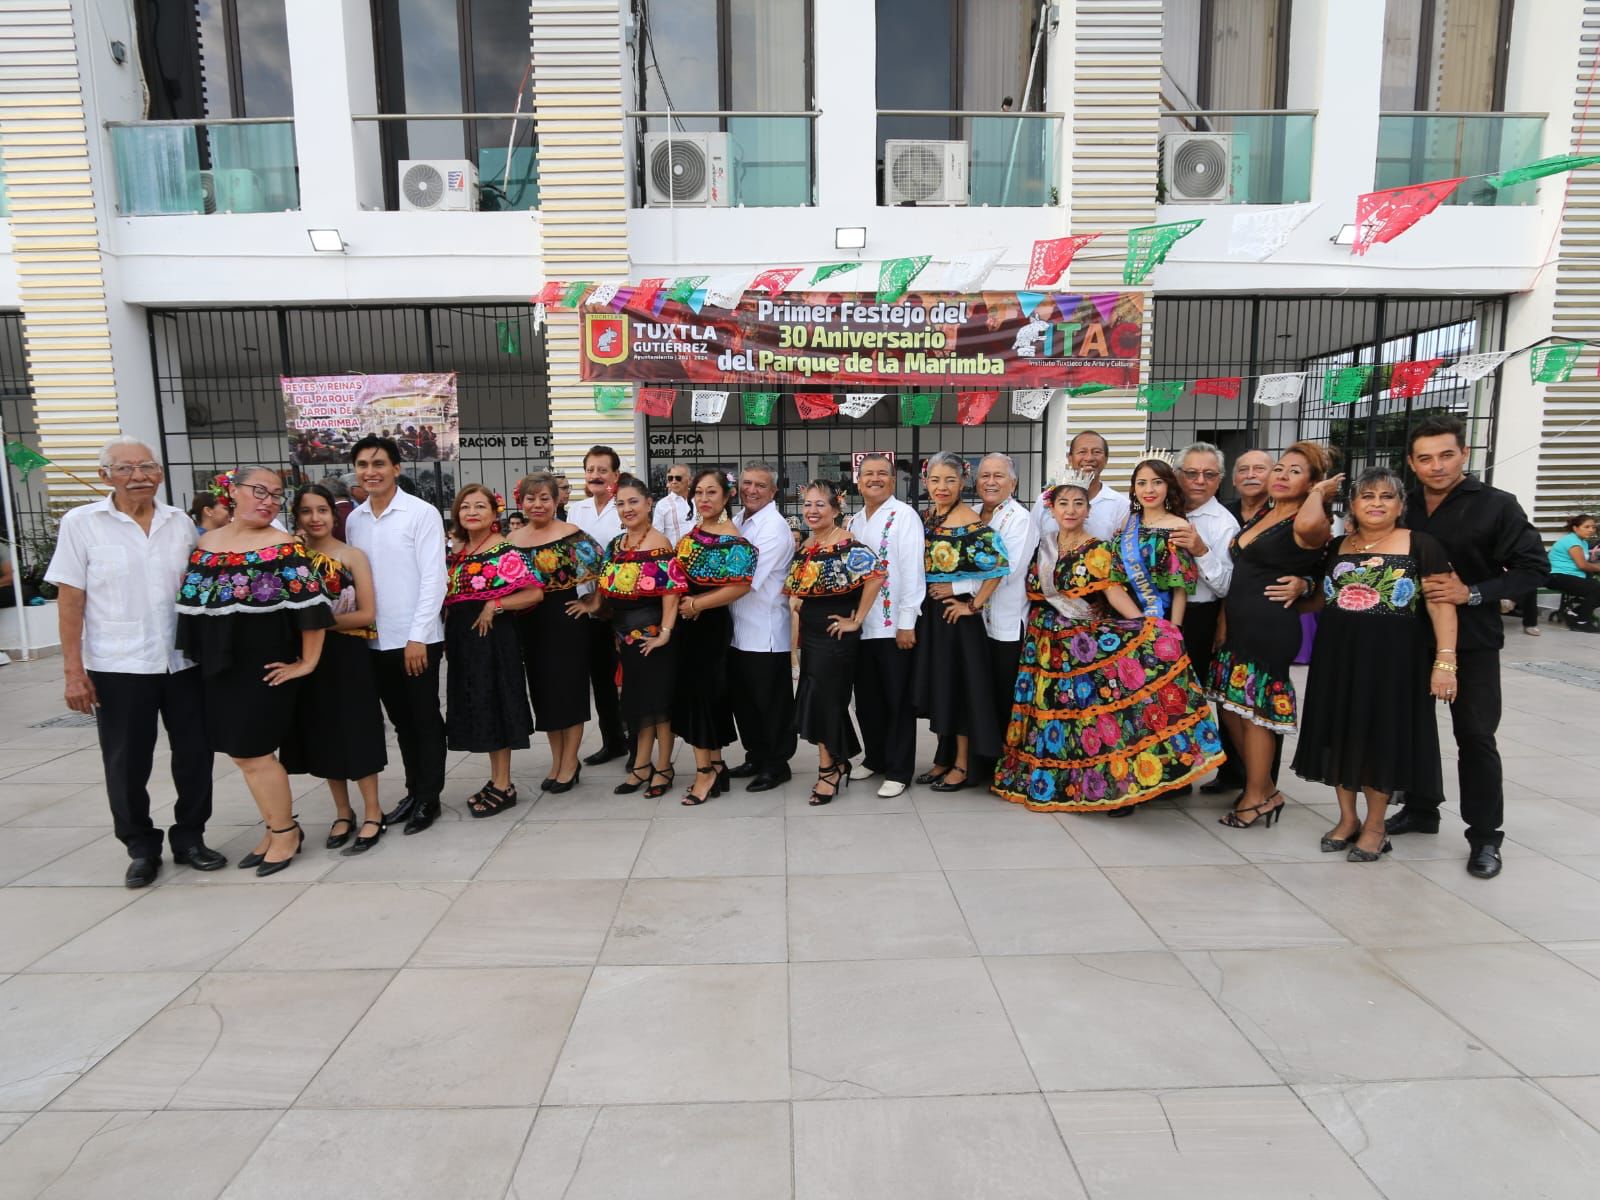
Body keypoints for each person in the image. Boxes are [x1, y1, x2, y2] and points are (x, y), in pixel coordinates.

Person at [45, 439, 224, 888]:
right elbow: (70, 601)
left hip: (181, 662)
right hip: (118, 664)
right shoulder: (82, 524)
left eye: (147, 466)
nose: (139, 476)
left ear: (160, 474)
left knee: (195, 755)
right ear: (106, 475)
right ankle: (140, 846)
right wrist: (73, 671)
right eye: (126, 468)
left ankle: (190, 838)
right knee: (126, 763)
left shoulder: (180, 523)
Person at [993, 478, 1224, 814]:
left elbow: (1113, 592)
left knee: (1092, 717)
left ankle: (1114, 786)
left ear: (1088, 510)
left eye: (1078, 503)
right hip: (1044, 644)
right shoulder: (1042, 544)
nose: (1071, 510)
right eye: (1064, 504)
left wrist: (1149, 626)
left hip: (1082, 644)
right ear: (1051, 509)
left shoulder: (1100, 548)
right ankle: (1056, 781)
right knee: (1051, 715)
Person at [1386, 415, 1550, 879]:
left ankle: (1485, 837)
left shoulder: (1497, 506)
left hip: (1472, 642)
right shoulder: (1402, 506)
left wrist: (1473, 592)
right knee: (1411, 729)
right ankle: (1421, 808)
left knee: (1475, 737)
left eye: (1446, 455)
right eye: (1425, 458)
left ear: (1464, 454)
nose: (1436, 466)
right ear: (1412, 463)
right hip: (1406, 637)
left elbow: (1533, 568)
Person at [1292, 467, 1459, 862]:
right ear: (1352, 504)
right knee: (1342, 734)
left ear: (1401, 505)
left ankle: (1376, 825)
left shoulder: (1422, 545)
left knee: (1380, 738)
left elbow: (1440, 605)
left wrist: (1445, 662)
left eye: (1387, 496)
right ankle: (1347, 818)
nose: (1377, 504)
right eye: (1367, 496)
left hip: (1394, 664)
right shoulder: (1337, 547)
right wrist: (1298, 592)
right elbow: (1323, 597)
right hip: (1338, 658)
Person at [175, 466, 333, 876]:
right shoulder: (206, 543)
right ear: (233, 492)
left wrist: (308, 662)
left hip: (264, 667)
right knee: (241, 755)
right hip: (219, 667)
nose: (268, 501)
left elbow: (311, 610)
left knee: (254, 752)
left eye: (276, 495)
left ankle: (285, 832)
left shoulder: (283, 547)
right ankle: (275, 828)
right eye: (259, 491)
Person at [1210, 442, 1338, 830]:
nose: (1281, 476)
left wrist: (1317, 495)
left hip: (1269, 627)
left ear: (1314, 482)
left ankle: (1255, 797)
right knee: (1232, 709)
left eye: (1295, 472)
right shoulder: (1267, 511)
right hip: (1238, 623)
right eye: (1279, 469)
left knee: (1256, 716)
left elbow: (1310, 538)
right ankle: (1265, 788)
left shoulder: (1307, 519)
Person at [345, 435, 449, 835]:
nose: (370, 472)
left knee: (424, 718)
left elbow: (433, 579)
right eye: (363, 465)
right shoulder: (355, 520)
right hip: (374, 638)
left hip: (416, 639)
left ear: (396, 469)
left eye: (378, 464)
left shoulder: (420, 514)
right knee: (401, 722)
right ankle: (413, 790)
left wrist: (418, 636)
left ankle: (430, 796)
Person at [279, 485, 389, 855]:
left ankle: (373, 811)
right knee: (323, 732)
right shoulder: (290, 560)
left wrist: (315, 623)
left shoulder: (352, 556)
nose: (315, 518)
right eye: (307, 511)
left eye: (322, 510)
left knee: (356, 731)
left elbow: (366, 614)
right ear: (298, 517)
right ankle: (343, 812)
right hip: (306, 659)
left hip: (348, 655)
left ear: (334, 514)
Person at [926, 452, 1040, 786]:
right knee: (964, 691)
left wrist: (958, 589)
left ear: (1013, 483)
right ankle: (954, 759)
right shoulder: (971, 513)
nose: (990, 481)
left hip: (1001, 625)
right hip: (969, 625)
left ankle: (996, 769)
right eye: (985, 475)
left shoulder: (1020, 519)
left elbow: (1007, 570)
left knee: (996, 700)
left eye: (999, 476)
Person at [574, 474, 688, 798]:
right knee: (639, 706)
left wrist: (665, 633)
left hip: (652, 636)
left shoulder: (659, 543)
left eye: (633, 502)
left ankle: (663, 767)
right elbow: (604, 586)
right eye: (621, 503)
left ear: (649, 504)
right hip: (624, 636)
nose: (627, 509)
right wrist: (591, 605)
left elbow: (671, 593)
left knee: (658, 707)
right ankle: (641, 764)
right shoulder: (616, 545)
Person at [443, 484, 544, 818]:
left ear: (494, 513)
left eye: (479, 506)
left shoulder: (504, 551)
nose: (471, 512)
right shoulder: (460, 550)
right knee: (479, 706)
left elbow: (533, 594)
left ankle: (504, 784)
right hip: (464, 641)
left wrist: (496, 604)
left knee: (496, 704)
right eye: (465, 506)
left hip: (493, 641)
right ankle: (496, 778)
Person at [913, 452, 1009, 791]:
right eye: (935, 480)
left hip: (958, 621)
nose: (942, 487)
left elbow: (999, 567)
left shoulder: (971, 523)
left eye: (949, 480)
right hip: (933, 620)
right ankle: (942, 758)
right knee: (943, 689)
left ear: (962, 482)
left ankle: (962, 764)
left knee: (962, 691)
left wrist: (974, 606)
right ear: (926, 482)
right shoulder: (928, 517)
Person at [786, 481, 885, 805]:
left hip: (835, 634)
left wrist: (856, 619)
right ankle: (839, 758)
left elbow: (876, 575)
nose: (812, 511)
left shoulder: (846, 544)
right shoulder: (810, 544)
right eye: (808, 505)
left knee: (826, 700)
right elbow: (804, 583)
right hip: (812, 634)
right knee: (818, 698)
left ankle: (828, 769)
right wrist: (800, 600)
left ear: (836, 509)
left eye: (820, 505)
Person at [509, 472, 605, 792]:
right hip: (528, 626)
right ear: (520, 502)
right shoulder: (512, 541)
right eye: (531, 499)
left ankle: (569, 763)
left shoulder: (571, 534)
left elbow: (607, 569)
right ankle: (557, 760)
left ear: (556, 501)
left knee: (569, 694)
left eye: (544, 498)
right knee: (545, 696)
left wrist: (591, 603)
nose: (537, 505)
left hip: (565, 622)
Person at [674, 468, 756, 805]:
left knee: (703, 696)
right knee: (699, 695)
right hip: (687, 624)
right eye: (699, 492)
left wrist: (697, 603)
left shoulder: (732, 537)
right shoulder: (694, 532)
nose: (704, 499)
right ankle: (717, 764)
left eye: (712, 493)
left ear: (726, 497)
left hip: (708, 625)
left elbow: (740, 586)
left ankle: (704, 772)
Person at [848, 452, 926, 798]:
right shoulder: (854, 521)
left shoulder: (904, 515)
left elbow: (912, 570)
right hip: (861, 625)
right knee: (866, 700)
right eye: (868, 474)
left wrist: (907, 621)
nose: (874, 479)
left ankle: (898, 768)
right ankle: (876, 757)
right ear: (858, 480)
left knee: (896, 701)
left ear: (892, 480)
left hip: (893, 625)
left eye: (882, 473)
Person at [1170, 443, 1242, 796]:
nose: (1199, 481)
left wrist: (1200, 551)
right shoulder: (1164, 508)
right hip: (1158, 615)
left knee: (1188, 698)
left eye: (1209, 475)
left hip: (1199, 616)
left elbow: (1227, 584)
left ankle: (1185, 773)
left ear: (1220, 480)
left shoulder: (1222, 523)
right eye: (1191, 473)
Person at [728, 461, 798, 792]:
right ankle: (755, 754)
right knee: (746, 701)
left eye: (759, 485)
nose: (751, 490)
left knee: (770, 703)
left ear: (773, 492)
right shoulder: (739, 520)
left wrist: (696, 601)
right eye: (746, 483)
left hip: (765, 632)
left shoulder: (775, 529)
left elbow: (744, 579)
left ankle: (776, 764)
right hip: (738, 630)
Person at [568, 446, 629, 765]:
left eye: (602, 470)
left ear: (615, 476)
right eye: (590, 469)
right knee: (602, 678)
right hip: (588, 605)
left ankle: (639, 737)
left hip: (624, 604)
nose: (595, 475)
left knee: (632, 675)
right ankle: (614, 740)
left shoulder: (626, 506)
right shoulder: (577, 510)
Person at [1115, 457, 1198, 626]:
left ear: (1169, 486)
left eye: (1157, 482)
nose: (1149, 490)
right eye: (1142, 483)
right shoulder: (1127, 522)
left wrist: (1175, 628)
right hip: (1123, 613)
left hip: (1160, 616)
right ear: (1134, 488)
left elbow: (1180, 587)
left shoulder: (1178, 526)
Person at [1032, 430, 1128, 544]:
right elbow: (1032, 541)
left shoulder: (1121, 505)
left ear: (1106, 459)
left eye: (1096, 452)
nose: (1089, 458)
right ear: (1070, 459)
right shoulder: (1045, 501)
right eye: (1082, 452)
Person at [1547, 513, 1600, 631]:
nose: (1591, 530)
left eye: (1593, 527)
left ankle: (1573, 613)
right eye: (1587, 527)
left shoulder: (1583, 542)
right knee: (1597, 588)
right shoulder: (1572, 541)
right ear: (1575, 528)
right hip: (1557, 576)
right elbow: (1582, 565)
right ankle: (1582, 622)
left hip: (1572, 575)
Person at [653, 462, 695, 547]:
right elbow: (657, 534)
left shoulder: (699, 500)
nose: (674, 481)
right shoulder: (662, 505)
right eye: (670, 478)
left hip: (701, 552)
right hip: (674, 555)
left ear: (689, 480)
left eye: (678, 478)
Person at [1227, 450, 1273, 524]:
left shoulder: (1284, 514)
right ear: (1234, 479)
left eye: (1259, 469)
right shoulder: (1223, 513)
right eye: (1243, 470)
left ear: (1273, 476)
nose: (1250, 475)